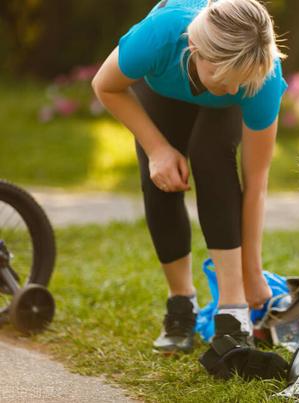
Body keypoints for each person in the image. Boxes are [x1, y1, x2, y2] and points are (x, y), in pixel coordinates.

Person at [92, 0, 287, 354]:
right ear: (196, 50)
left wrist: (252, 270)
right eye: (225, 78)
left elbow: (256, 183)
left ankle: (232, 312)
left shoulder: (260, 78)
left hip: (219, 107)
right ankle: (180, 304)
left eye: (240, 82)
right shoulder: (160, 35)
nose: (232, 89)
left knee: (212, 156)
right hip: (164, 88)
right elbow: (105, 86)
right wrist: (157, 150)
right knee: (161, 180)